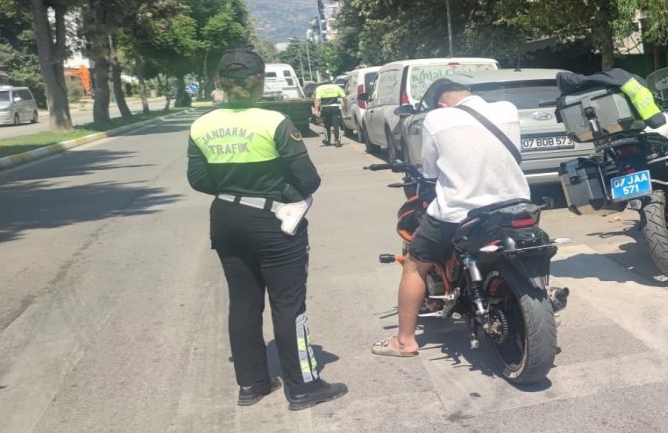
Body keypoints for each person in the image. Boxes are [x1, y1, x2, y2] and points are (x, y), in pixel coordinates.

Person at [187, 47, 347, 409]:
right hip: (273, 222)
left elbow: (197, 179)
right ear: (259, 81)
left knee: (243, 303)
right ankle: (303, 386)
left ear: (220, 82)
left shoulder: (201, 125)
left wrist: (233, 190)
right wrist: (281, 193)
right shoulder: (273, 121)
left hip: (226, 219)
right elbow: (308, 178)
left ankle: (252, 384)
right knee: (288, 304)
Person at [371, 82, 530, 357]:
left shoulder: (437, 118)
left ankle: (405, 341)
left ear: (442, 104)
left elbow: (430, 171)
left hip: (459, 211)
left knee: (414, 265)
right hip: (515, 205)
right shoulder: (508, 108)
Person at [313, 73, 347, 147]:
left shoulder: (319, 88)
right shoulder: (336, 87)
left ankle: (327, 140)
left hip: (325, 108)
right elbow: (344, 97)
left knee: (326, 125)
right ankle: (337, 141)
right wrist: (345, 106)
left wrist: (316, 110)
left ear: (322, 79)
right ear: (329, 78)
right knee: (336, 125)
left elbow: (317, 99)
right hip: (335, 108)